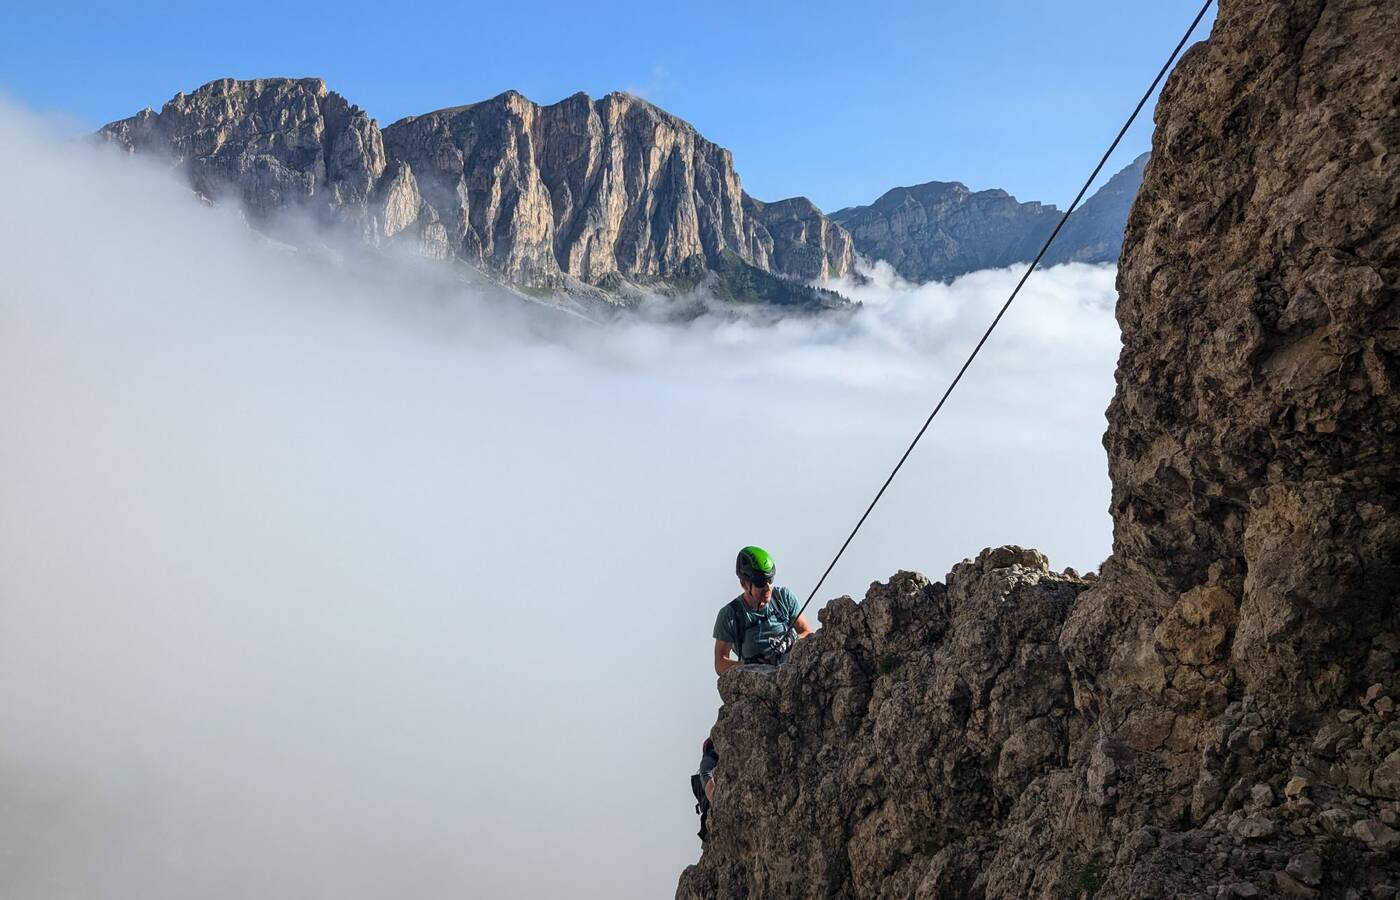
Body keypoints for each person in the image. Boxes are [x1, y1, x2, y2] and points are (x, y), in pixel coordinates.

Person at [713, 545, 813, 675]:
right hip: (758, 683)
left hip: (792, 676)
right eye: (760, 582)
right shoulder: (730, 615)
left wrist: (791, 640)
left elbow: (808, 633)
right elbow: (720, 663)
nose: (767, 587)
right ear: (744, 584)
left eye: (770, 580)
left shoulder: (783, 598)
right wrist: (749, 665)